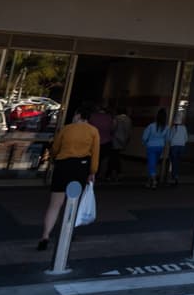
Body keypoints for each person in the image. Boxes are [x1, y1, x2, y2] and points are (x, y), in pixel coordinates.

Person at [38, 105, 98, 251]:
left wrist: (53, 158)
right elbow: (95, 154)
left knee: (55, 204)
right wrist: (92, 172)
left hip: (63, 166)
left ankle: (45, 236)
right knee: (72, 203)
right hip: (80, 167)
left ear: (78, 115)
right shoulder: (93, 131)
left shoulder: (66, 129)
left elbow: (55, 149)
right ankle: (67, 232)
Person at [142, 107, 171, 188]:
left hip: (151, 147)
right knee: (153, 164)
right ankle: (148, 182)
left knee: (151, 164)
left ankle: (154, 181)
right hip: (160, 147)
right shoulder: (167, 127)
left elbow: (144, 137)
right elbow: (168, 138)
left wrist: (145, 143)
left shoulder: (151, 126)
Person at [109, 109, 131, 181]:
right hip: (123, 139)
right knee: (117, 155)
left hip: (115, 139)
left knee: (113, 156)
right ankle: (118, 172)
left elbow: (113, 128)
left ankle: (113, 172)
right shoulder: (128, 119)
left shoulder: (116, 118)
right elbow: (129, 131)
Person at [167, 115, 189, 185]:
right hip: (182, 146)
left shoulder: (173, 128)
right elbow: (186, 138)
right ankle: (176, 175)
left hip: (174, 146)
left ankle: (174, 175)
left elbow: (170, 138)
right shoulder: (184, 128)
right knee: (178, 161)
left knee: (173, 161)